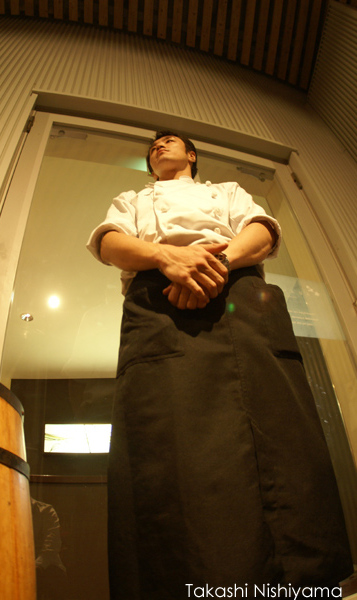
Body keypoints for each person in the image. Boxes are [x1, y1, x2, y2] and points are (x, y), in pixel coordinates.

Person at [87, 131, 353, 599]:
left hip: (238, 296)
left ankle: (300, 586)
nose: (158, 146)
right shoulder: (132, 199)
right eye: (153, 146)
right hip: (158, 304)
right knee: (165, 444)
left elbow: (262, 231)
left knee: (276, 434)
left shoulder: (227, 191)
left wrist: (216, 265)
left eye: (170, 141)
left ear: (191, 155)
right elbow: (110, 244)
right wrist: (167, 256)